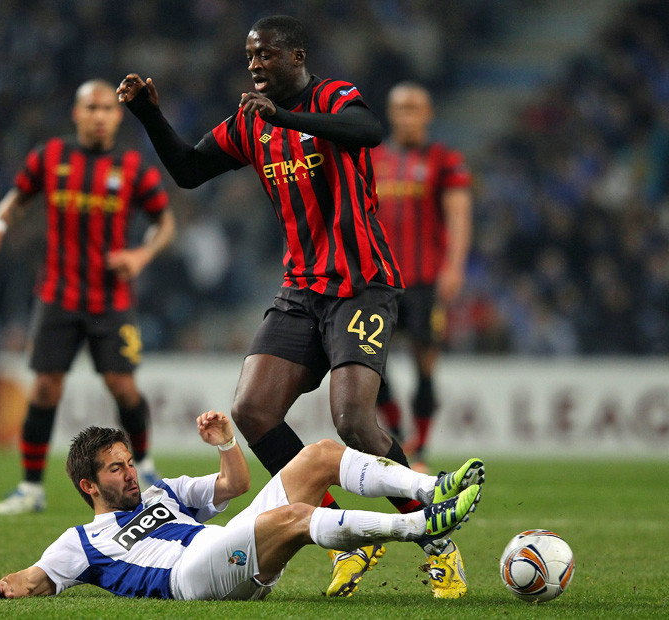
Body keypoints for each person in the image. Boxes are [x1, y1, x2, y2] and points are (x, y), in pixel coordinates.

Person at [115, 14, 472, 599]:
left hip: (362, 284)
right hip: (301, 291)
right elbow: (186, 170)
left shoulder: (332, 97)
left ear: (297, 56)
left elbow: (367, 132)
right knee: (253, 410)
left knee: (353, 420)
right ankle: (351, 533)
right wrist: (149, 114)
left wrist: (284, 115)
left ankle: (438, 541)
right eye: (250, 56)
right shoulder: (250, 126)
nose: (255, 64)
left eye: (266, 55)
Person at [0, 412, 483, 601]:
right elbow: (33, 580)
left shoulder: (159, 492)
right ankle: (418, 528)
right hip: (190, 581)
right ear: (88, 485)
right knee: (295, 519)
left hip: (227, 545)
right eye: (115, 469)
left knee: (320, 455)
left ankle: (429, 489)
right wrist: (1, 586)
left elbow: (234, 485)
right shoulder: (79, 544)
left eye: (128, 462)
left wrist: (225, 442)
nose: (129, 474)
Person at [0, 79, 176, 515]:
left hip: (112, 298)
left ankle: (146, 466)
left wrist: (142, 254)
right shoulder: (51, 157)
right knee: (45, 388)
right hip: (58, 295)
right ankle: (30, 489)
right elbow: (18, 197)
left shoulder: (134, 167)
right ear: (77, 114)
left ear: (118, 116)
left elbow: (165, 223)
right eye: (92, 108)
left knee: (122, 386)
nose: (100, 116)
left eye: (107, 108)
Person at [372, 83, 473, 474]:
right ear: (391, 113)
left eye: (415, 108)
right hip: (377, 282)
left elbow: (459, 215)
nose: (407, 115)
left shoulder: (445, 160)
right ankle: (398, 437)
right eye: (400, 108)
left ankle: (422, 449)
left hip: (424, 281)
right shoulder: (373, 158)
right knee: (371, 365)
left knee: (424, 359)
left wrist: (454, 266)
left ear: (428, 114)